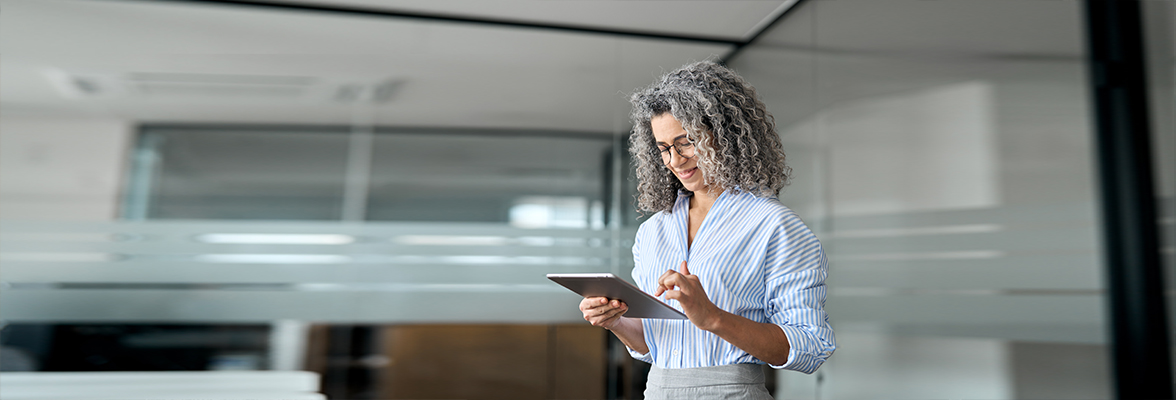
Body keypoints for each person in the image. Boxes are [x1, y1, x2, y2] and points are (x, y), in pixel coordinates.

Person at [579, 61, 836, 399]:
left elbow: (810, 345)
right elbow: (652, 345)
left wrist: (713, 317)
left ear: (726, 134)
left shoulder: (775, 226)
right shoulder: (654, 230)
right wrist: (615, 321)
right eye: (664, 149)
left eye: (686, 142)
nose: (674, 160)